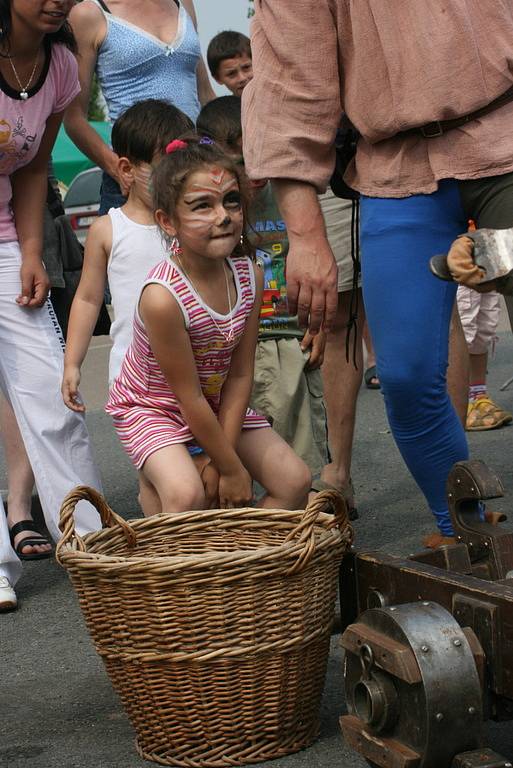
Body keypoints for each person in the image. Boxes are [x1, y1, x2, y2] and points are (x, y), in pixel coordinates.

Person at [243, 1, 513, 547]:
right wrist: (306, 237)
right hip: (395, 167)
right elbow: (290, 95)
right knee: (408, 377)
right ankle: (468, 536)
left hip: (505, 138)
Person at [105, 137, 311, 515]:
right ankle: (170, 555)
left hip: (216, 403)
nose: (223, 216)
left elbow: (239, 376)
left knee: (295, 481)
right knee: (188, 496)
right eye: (202, 205)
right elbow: (187, 397)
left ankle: (237, 559)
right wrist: (231, 469)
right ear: (167, 221)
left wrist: (223, 463)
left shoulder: (251, 274)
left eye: (231, 200)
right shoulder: (162, 297)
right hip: (155, 408)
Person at [0, 0, 102, 612]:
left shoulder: (59, 63)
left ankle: (92, 544)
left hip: (10, 240)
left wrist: (33, 252)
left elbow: (33, 168)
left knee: (51, 391)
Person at [61, 98, 193, 407]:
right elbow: (88, 298)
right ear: (126, 169)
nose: (178, 178)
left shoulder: (191, 223)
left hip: (199, 373)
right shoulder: (108, 229)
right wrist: (71, 363)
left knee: (205, 455)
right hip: (135, 381)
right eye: (166, 168)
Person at [64, 0, 215, 213]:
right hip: (136, 174)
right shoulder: (89, 14)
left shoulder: (182, 4)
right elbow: (74, 118)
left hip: (194, 167)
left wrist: (221, 150)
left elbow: (206, 95)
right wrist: (118, 170)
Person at [457, 284, 512, 431]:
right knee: (463, 328)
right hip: (458, 270)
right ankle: (458, 403)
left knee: (484, 328)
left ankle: (478, 396)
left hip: (485, 268)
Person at [206, 31, 253, 98]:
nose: (242, 78)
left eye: (246, 67)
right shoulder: (223, 108)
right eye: (231, 74)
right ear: (218, 79)